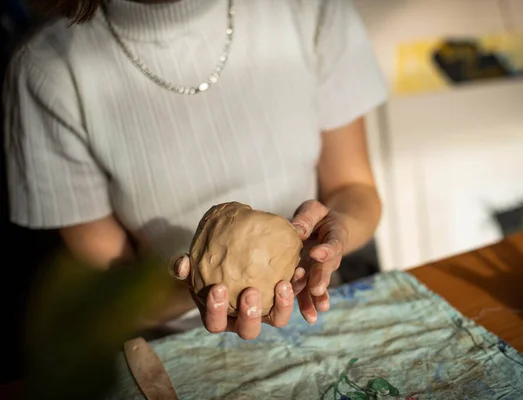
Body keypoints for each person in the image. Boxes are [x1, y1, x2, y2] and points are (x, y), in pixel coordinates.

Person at [3, 0, 388, 340]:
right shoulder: (46, 69)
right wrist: (193, 291)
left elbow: (354, 188)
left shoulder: (310, 8)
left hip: (317, 309)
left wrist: (330, 243)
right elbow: (109, 290)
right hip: (172, 341)